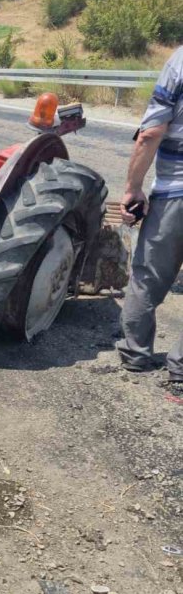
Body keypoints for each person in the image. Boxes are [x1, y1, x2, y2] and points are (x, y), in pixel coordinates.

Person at [117, 46, 183, 394]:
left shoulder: (180, 61)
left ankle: (136, 354)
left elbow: (151, 132)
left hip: (175, 193)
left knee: (147, 277)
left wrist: (133, 188)